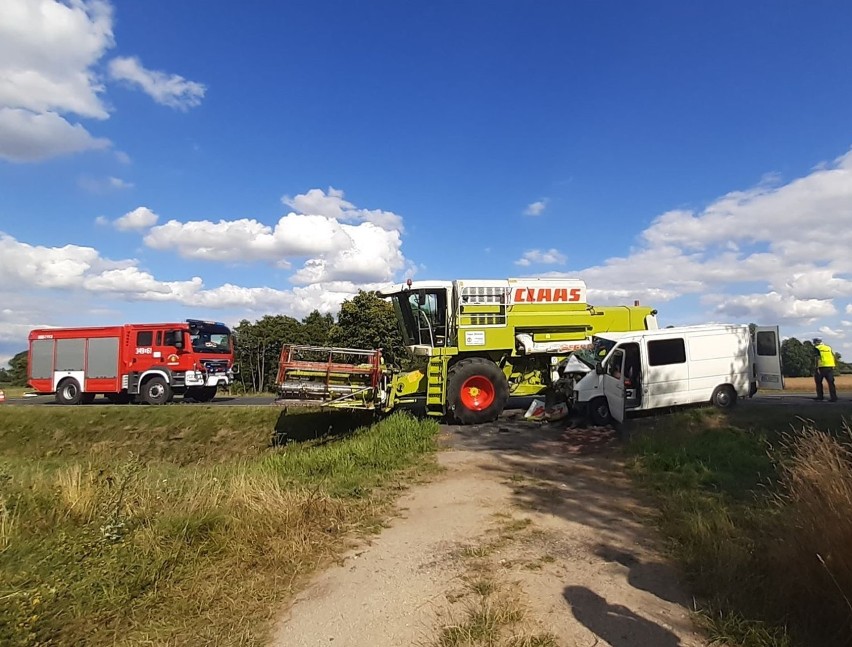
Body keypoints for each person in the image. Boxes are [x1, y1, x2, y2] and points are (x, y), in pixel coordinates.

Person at [812, 338, 838, 402]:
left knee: (818, 382)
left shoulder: (817, 348)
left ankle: (820, 397)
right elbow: (832, 356)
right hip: (830, 366)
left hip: (821, 367)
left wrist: (816, 367)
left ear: (815, 342)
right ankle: (833, 397)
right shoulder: (828, 347)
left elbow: (817, 358)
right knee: (831, 383)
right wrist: (833, 365)